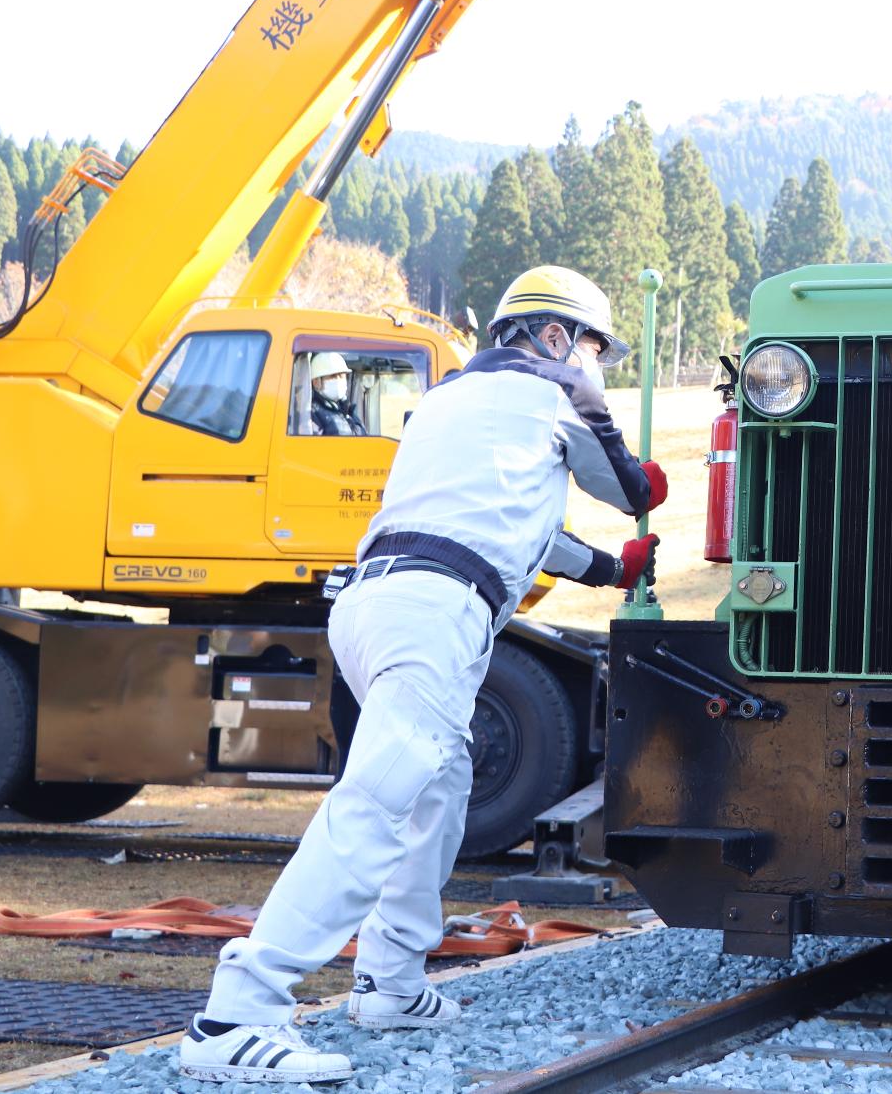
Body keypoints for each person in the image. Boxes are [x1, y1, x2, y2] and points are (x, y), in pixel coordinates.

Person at [179, 266, 666, 1084]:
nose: (598, 366)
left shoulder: (449, 404)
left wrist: (613, 568)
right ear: (555, 338)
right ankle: (240, 1009)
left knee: (435, 790)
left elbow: (515, 527)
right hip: (435, 612)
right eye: (594, 348)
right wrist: (644, 490)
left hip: (381, 600)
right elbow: (626, 484)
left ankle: (392, 982)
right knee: (378, 801)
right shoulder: (556, 389)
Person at [307, 352, 367, 435]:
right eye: (333, 376)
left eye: (342, 376)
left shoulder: (348, 411)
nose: (338, 380)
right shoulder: (311, 414)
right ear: (316, 382)